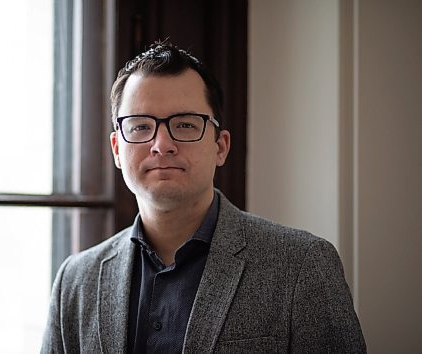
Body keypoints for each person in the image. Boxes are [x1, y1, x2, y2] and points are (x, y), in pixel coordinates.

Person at [41, 42, 366, 353]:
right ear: (116, 148)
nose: (162, 144)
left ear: (220, 146)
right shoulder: (76, 281)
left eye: (184, 124)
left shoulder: (302, 266)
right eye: (140, 127)